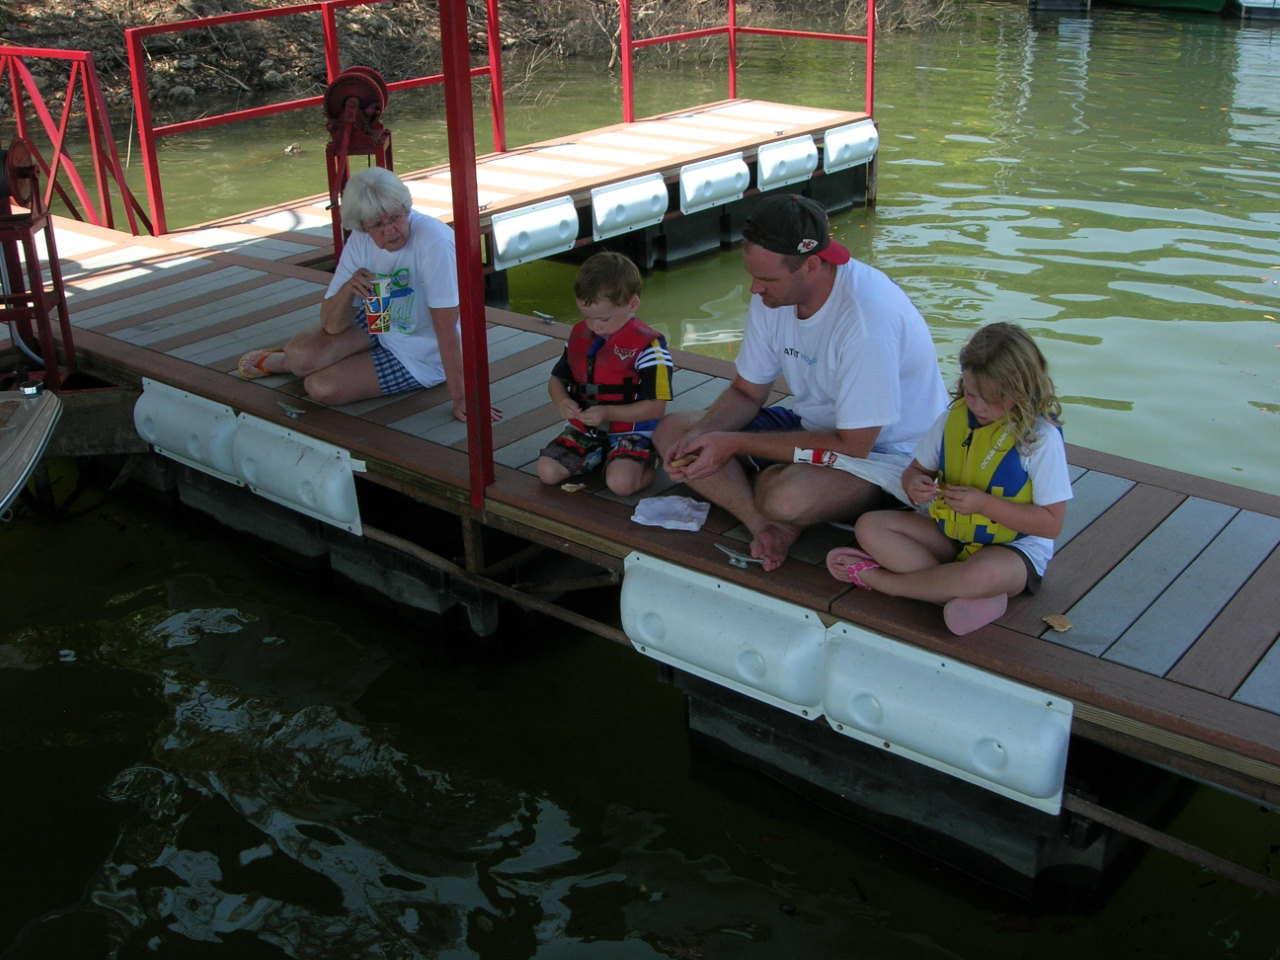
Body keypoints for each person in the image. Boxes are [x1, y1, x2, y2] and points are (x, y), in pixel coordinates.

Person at [654, 193, 948, 571]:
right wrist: (703, 439)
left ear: (811, 265)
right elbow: (747, 391)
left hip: (887, 456)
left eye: (766, 279)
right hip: (816, 430)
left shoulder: (867, 321)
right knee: (673, 433)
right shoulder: (773, 297)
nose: (754, 290)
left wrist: (731, 444)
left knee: (787, 498)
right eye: (752, 275)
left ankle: (777, 506)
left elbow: (856, 445)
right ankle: (764, 525)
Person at [827, 322, 1071, 636]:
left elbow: (1051, 524)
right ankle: (954, 593)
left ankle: (886, 582)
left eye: (992, 399)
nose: (978, 406)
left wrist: (984, 504)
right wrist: (913, 485)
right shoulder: (951, 420)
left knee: (979, 576)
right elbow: (916, 471)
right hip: (951, 535)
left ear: (1022, 389)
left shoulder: (1040, 440)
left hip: (1013, 549)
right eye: (971, 393)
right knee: (871, 526)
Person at [237, 166, 501, 421]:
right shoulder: (361, 238)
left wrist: (462, 396)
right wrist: (348, 289)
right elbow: (332, 325)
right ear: (362, 225)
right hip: (382, 315)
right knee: (301, 354)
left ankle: (305, 364)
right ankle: (290, 362)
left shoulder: (434, 241)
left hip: (423, 351)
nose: (389, 230)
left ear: (406, 208)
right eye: (377, 225)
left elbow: (446, 328)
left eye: (395, 218)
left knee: (319, 387)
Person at [536, 251, 674, 496]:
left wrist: (608, 412)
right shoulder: (581, 337)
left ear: (633, 304)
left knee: (620, 485)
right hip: (585, 428)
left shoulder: (650, 348)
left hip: (631, 429)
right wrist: (563, 401)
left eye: (603, 319)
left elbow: (656, 407)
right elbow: (557, 380)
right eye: (587, 318)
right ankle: (601, 454)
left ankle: (650, 457)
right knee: (547, 472)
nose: (594, 327)